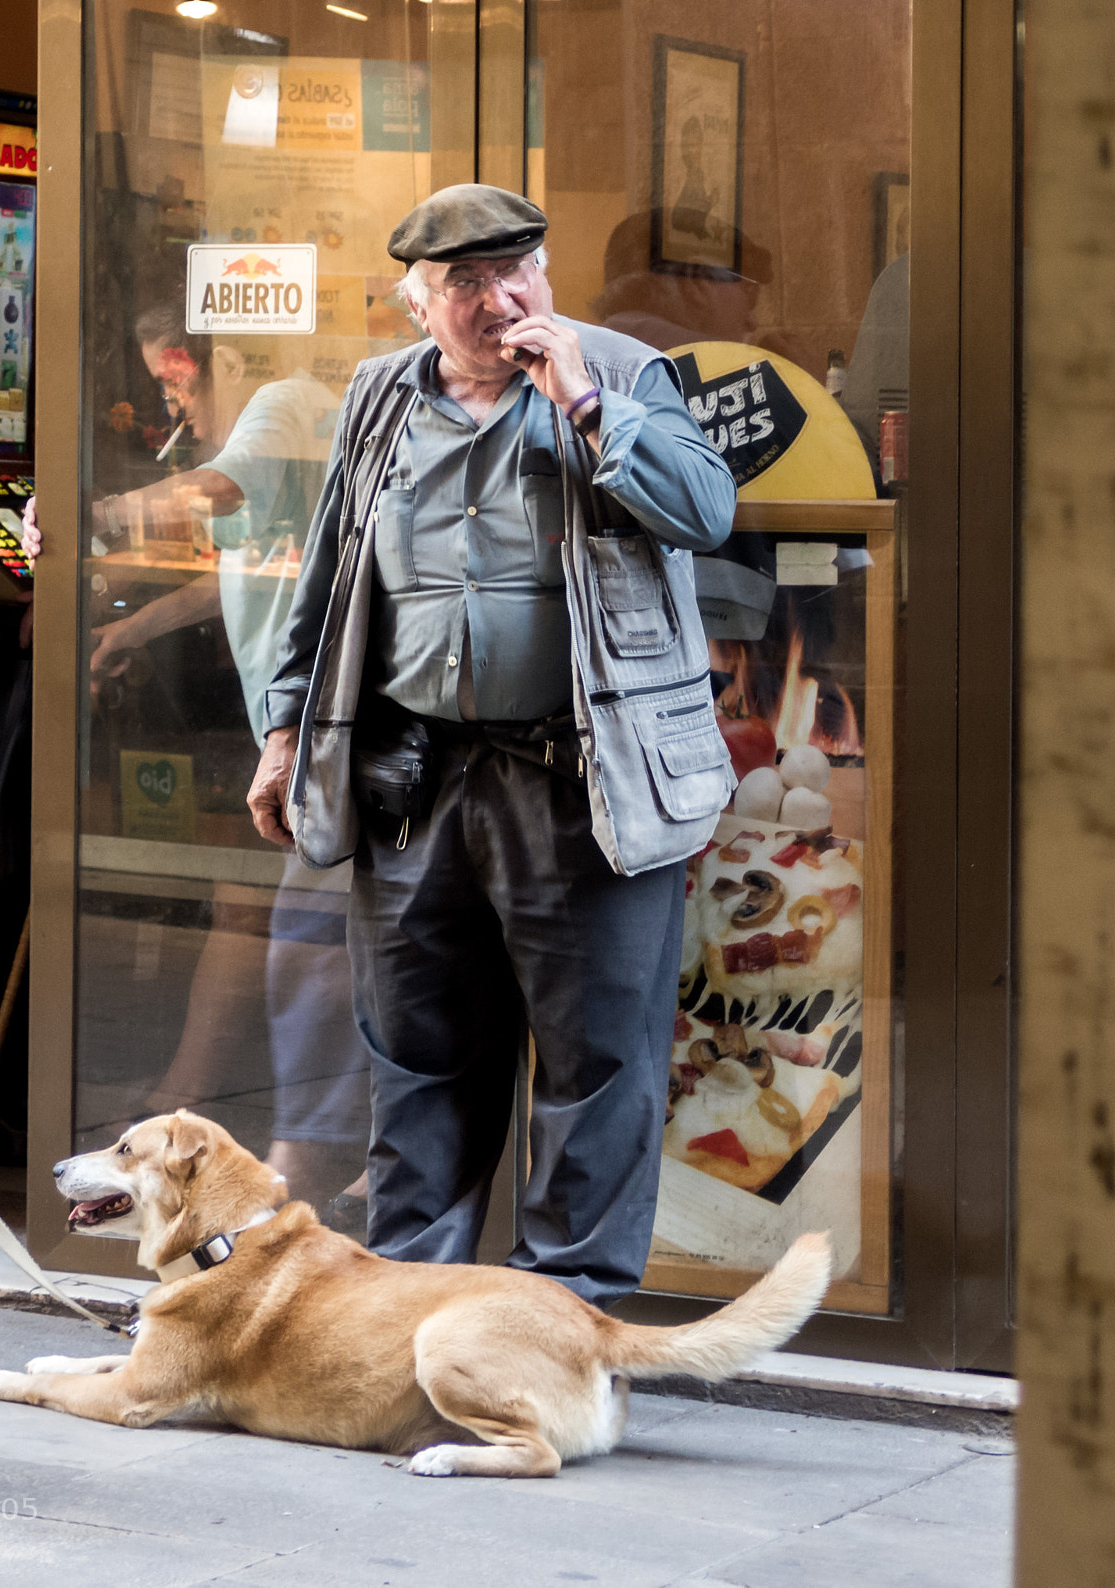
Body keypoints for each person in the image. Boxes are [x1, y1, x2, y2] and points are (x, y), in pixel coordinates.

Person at [246, 184, 737, 1307]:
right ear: (415, 303)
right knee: (417, 1064)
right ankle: (399, 1324)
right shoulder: (378, 395)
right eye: (464, 282)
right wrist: (284, 729)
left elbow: (705, 511)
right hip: (417, 781)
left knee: (594, 1070)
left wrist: (584, 404)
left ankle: (561, 1328)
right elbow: (328, 577)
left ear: (547, 277)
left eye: (518, 271)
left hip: (584, 781)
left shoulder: (615, 370)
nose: (499, 298)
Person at [22, 305, 369, 1209]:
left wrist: (86, 518)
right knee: (251, 910)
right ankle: (217, 1112)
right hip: (294, 731)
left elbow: (210, 495)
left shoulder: (279, 403)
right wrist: (134, 626)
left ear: (228, 355)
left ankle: (294, 1189)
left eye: (178, 373)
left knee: (306, 949)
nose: (172, 394)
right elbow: (245, 571)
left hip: (324, 734)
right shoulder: (287, 419)